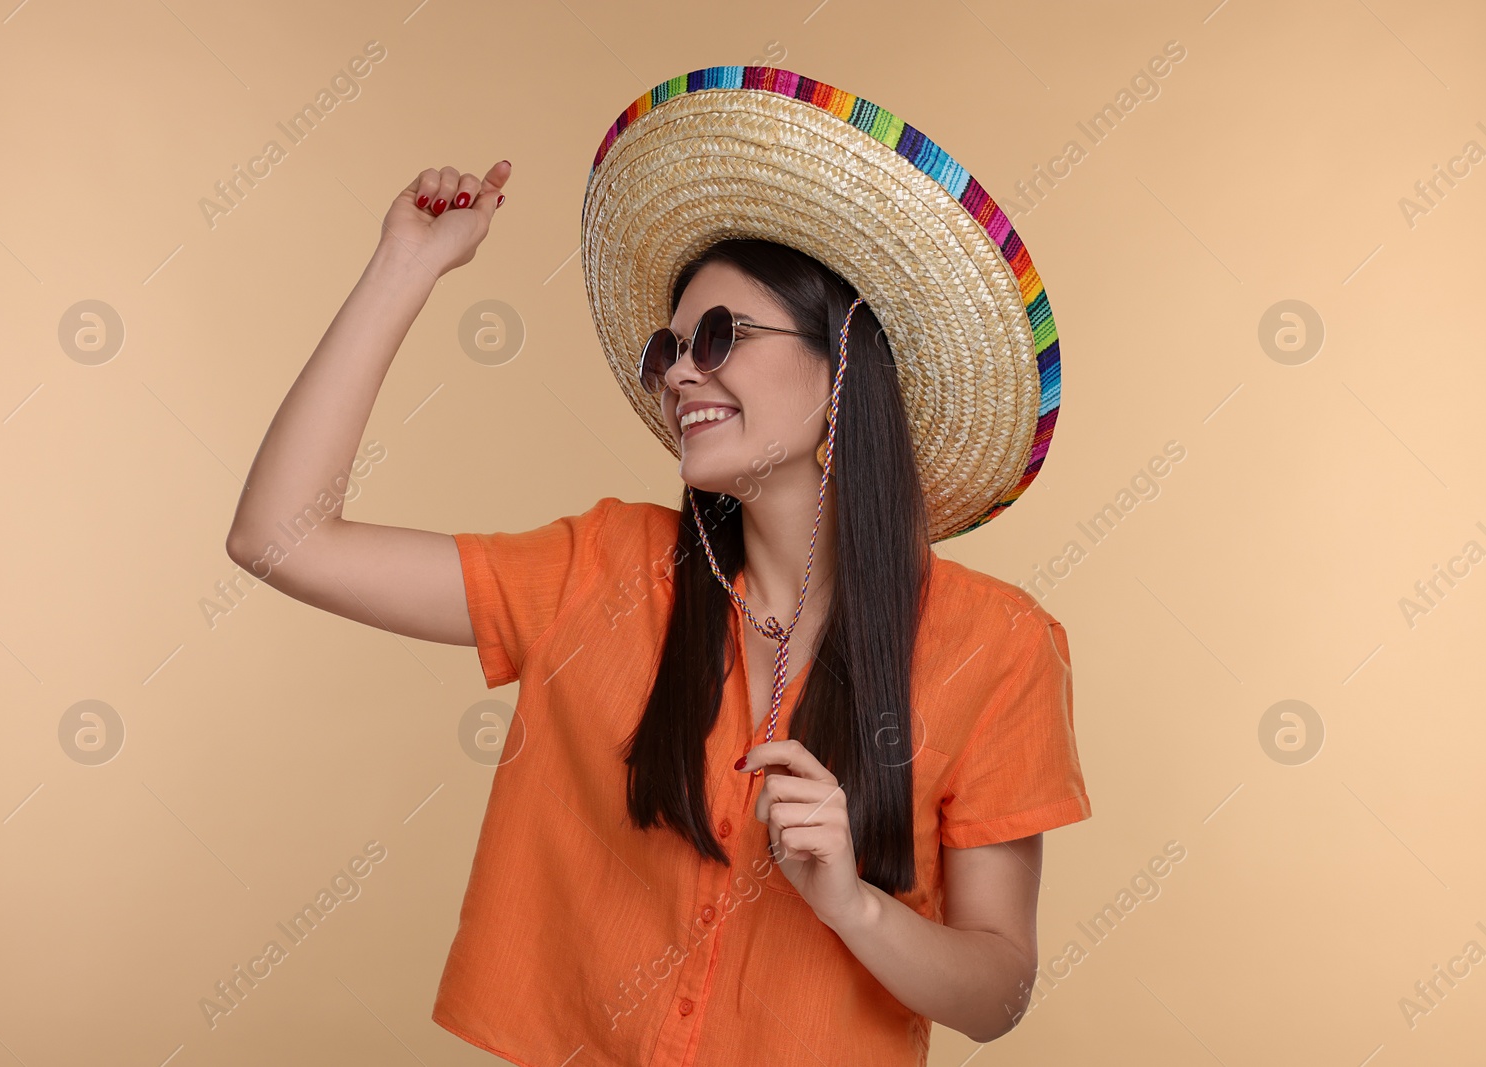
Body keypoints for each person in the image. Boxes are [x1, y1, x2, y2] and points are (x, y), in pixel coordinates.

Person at [227, 65, 1090, 1067]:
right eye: (668, 346)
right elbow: (277, 537)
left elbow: (995, 991)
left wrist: (853, 904)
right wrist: (404, 266)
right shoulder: (601, 567)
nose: (681, 369)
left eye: (720, 336)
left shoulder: (1000, 644)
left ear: (845, 365)